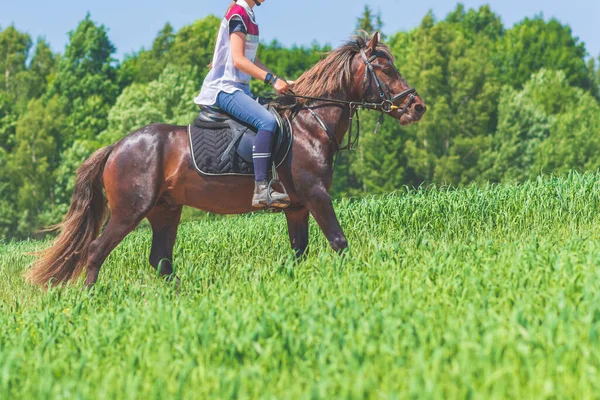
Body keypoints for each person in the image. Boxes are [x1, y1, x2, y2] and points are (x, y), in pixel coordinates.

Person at [194, 0, 291, 208]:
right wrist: (272, 81)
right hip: (225, 89)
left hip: (240, 89)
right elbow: (239, 60)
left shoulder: (249, 16)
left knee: (275, 114)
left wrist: (280, 79)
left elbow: (252, 59)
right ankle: (261, 189)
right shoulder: (238, 13)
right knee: (267, 122)